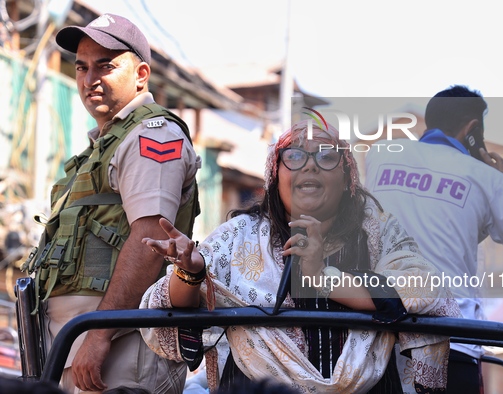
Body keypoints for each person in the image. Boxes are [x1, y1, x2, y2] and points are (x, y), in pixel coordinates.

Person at [140, 120, 461, 394]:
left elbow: (424, 293)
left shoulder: (379, 232)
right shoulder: (238, 237)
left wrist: (321, 276)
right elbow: (172, 315)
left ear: (348, 177)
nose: (310, 164)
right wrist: (190, 274)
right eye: (294, 155)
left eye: (325, 156)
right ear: (275, 174)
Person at [21, 13, 200, 393]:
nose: (89, 79)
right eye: (82, 67)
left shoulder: (152, 135)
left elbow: (150, 237)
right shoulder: (105, 144)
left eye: (106, 65)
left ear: (140, 74)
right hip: (79, 343)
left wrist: (99, 335)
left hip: (119, 345)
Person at [364, 85, 503, 393]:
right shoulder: (489, 180)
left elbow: (443, 226)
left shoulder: (379, 155)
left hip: (379, 340)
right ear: (473, 129)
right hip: (453, 341)